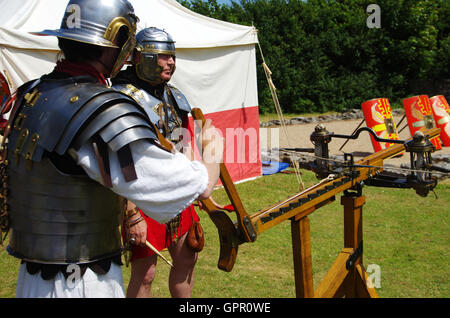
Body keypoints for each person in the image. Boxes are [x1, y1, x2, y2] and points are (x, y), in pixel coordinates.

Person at [4, 0, 222, 298]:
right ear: (119, 42)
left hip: (32, 277)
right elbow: (194, 185)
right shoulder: (104, 109)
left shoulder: (30, 94)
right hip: (83, 280)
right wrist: (211, 151)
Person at [112, 27, 202, 298]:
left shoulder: (175, 96)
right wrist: (131, 212)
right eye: (163, 56)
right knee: (145, 274)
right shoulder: (121, 98)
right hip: (141, 196)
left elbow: (183, 145)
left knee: (188, 258)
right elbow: (119, 157)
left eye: (172, 56)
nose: (171, 62)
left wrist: (191, 187)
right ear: (141, 57)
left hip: (176, 191)